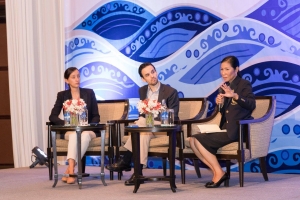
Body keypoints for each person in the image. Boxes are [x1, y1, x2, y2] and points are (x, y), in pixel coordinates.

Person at [105, 62, 180, 186]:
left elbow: (174, 115)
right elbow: (142, 112)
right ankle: (137, 174)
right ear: (143, 79)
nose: (152, 76)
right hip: (147, 130)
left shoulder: (170, 92)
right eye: (147, 75)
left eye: (153, 72)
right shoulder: (142, 90)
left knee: (141, 124)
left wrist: (152, 118)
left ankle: (126, 161)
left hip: (163, 130)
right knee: (142, 133)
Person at [189, 55, 256, 188]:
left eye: (227, 69)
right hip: (225, 127)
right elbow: (223, 112)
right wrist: (219, 104)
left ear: (236, 69)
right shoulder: (224, 86)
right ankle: (217, 172)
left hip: (237, 129)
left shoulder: (244, 84)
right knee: (192, 140)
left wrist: (235, 96)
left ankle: (219, 173)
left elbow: (251, 105)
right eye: (221, 69)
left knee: (197, 139)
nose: (223, 73)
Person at [49, 67, 100, 184]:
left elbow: (96, 116)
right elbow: (53, 117)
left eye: (78, 76)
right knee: (74, 135)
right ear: (66, 80)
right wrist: (65, 123)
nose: (77, 79)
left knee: (85, 135)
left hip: (88, 130)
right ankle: (72, 168)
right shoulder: (62, 95)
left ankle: (70, 169)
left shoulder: (89, 92)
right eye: (73, 77)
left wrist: (87, 125)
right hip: (70, 130)